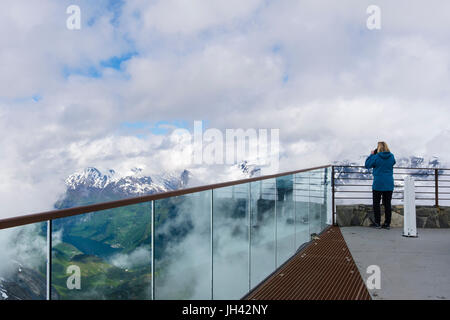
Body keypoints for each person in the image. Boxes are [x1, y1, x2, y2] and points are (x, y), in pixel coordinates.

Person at [365, 141, 396, 229]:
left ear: (378, 148)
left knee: (376, 204)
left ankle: (377, 223)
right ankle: (387, 224)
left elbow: (367, 165)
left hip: (378, 184)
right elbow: (393, 163)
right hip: (389, 184)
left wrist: (372, 155)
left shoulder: (376, 157)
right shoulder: (392, 156)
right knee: (387, 204)